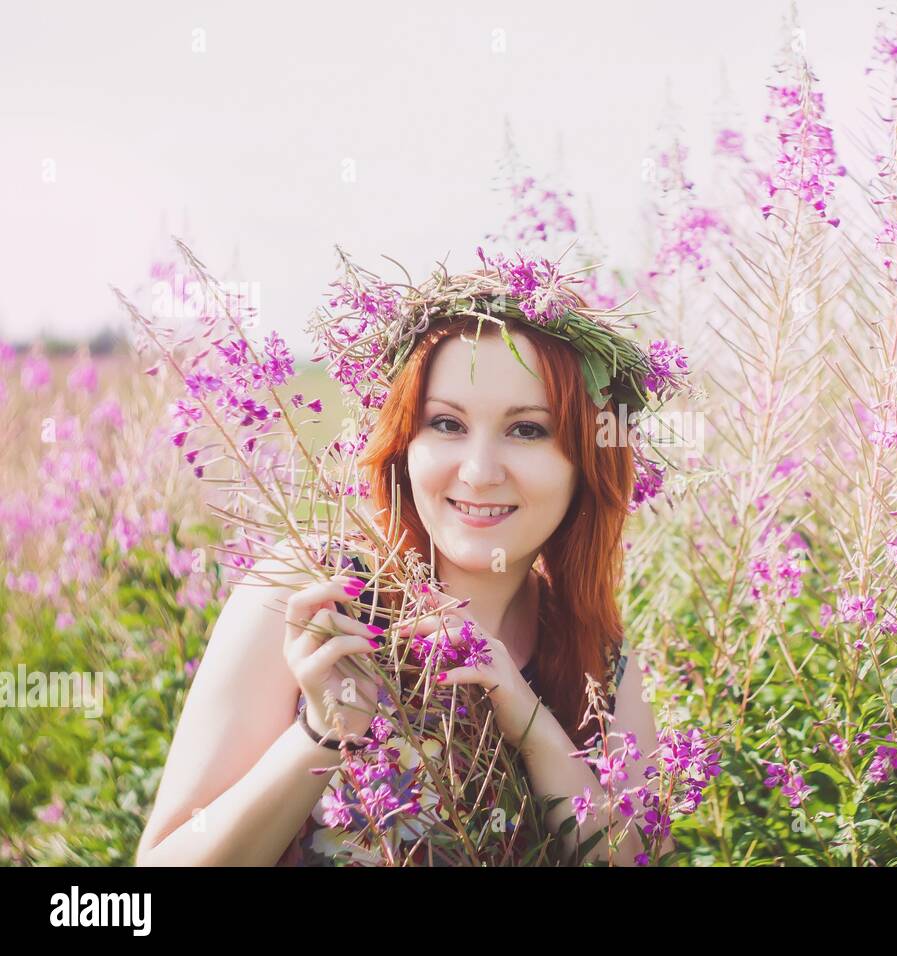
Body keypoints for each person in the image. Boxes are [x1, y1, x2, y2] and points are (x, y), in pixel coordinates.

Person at [135, 257, 688, 866]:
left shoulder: (594, 653)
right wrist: (320, 735)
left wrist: (527, 722)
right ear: (405, 445)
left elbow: (639, 857)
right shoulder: (314, 596)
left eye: (528, 430)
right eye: (446, 423)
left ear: (587, 461)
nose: (478, 472)